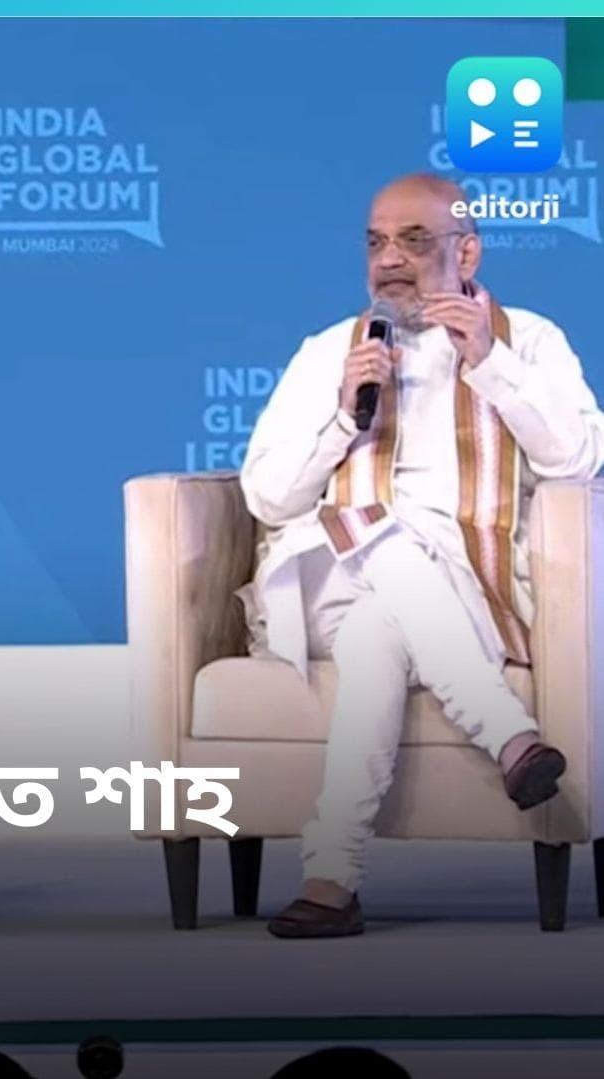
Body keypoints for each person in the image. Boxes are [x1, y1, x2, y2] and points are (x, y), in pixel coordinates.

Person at [239, 172, 604, 938]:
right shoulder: (329, 352)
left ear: (466, 252)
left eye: (413, 240)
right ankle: (509, 735)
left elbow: (576, 462)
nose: (389, 260)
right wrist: (343, 419)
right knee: (381, 534)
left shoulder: (529, 340)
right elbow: (269, 498)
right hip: (328, 574)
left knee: (379, 633)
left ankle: (330, 879)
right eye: (376, 242)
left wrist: (491, 364)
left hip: (466, 583)